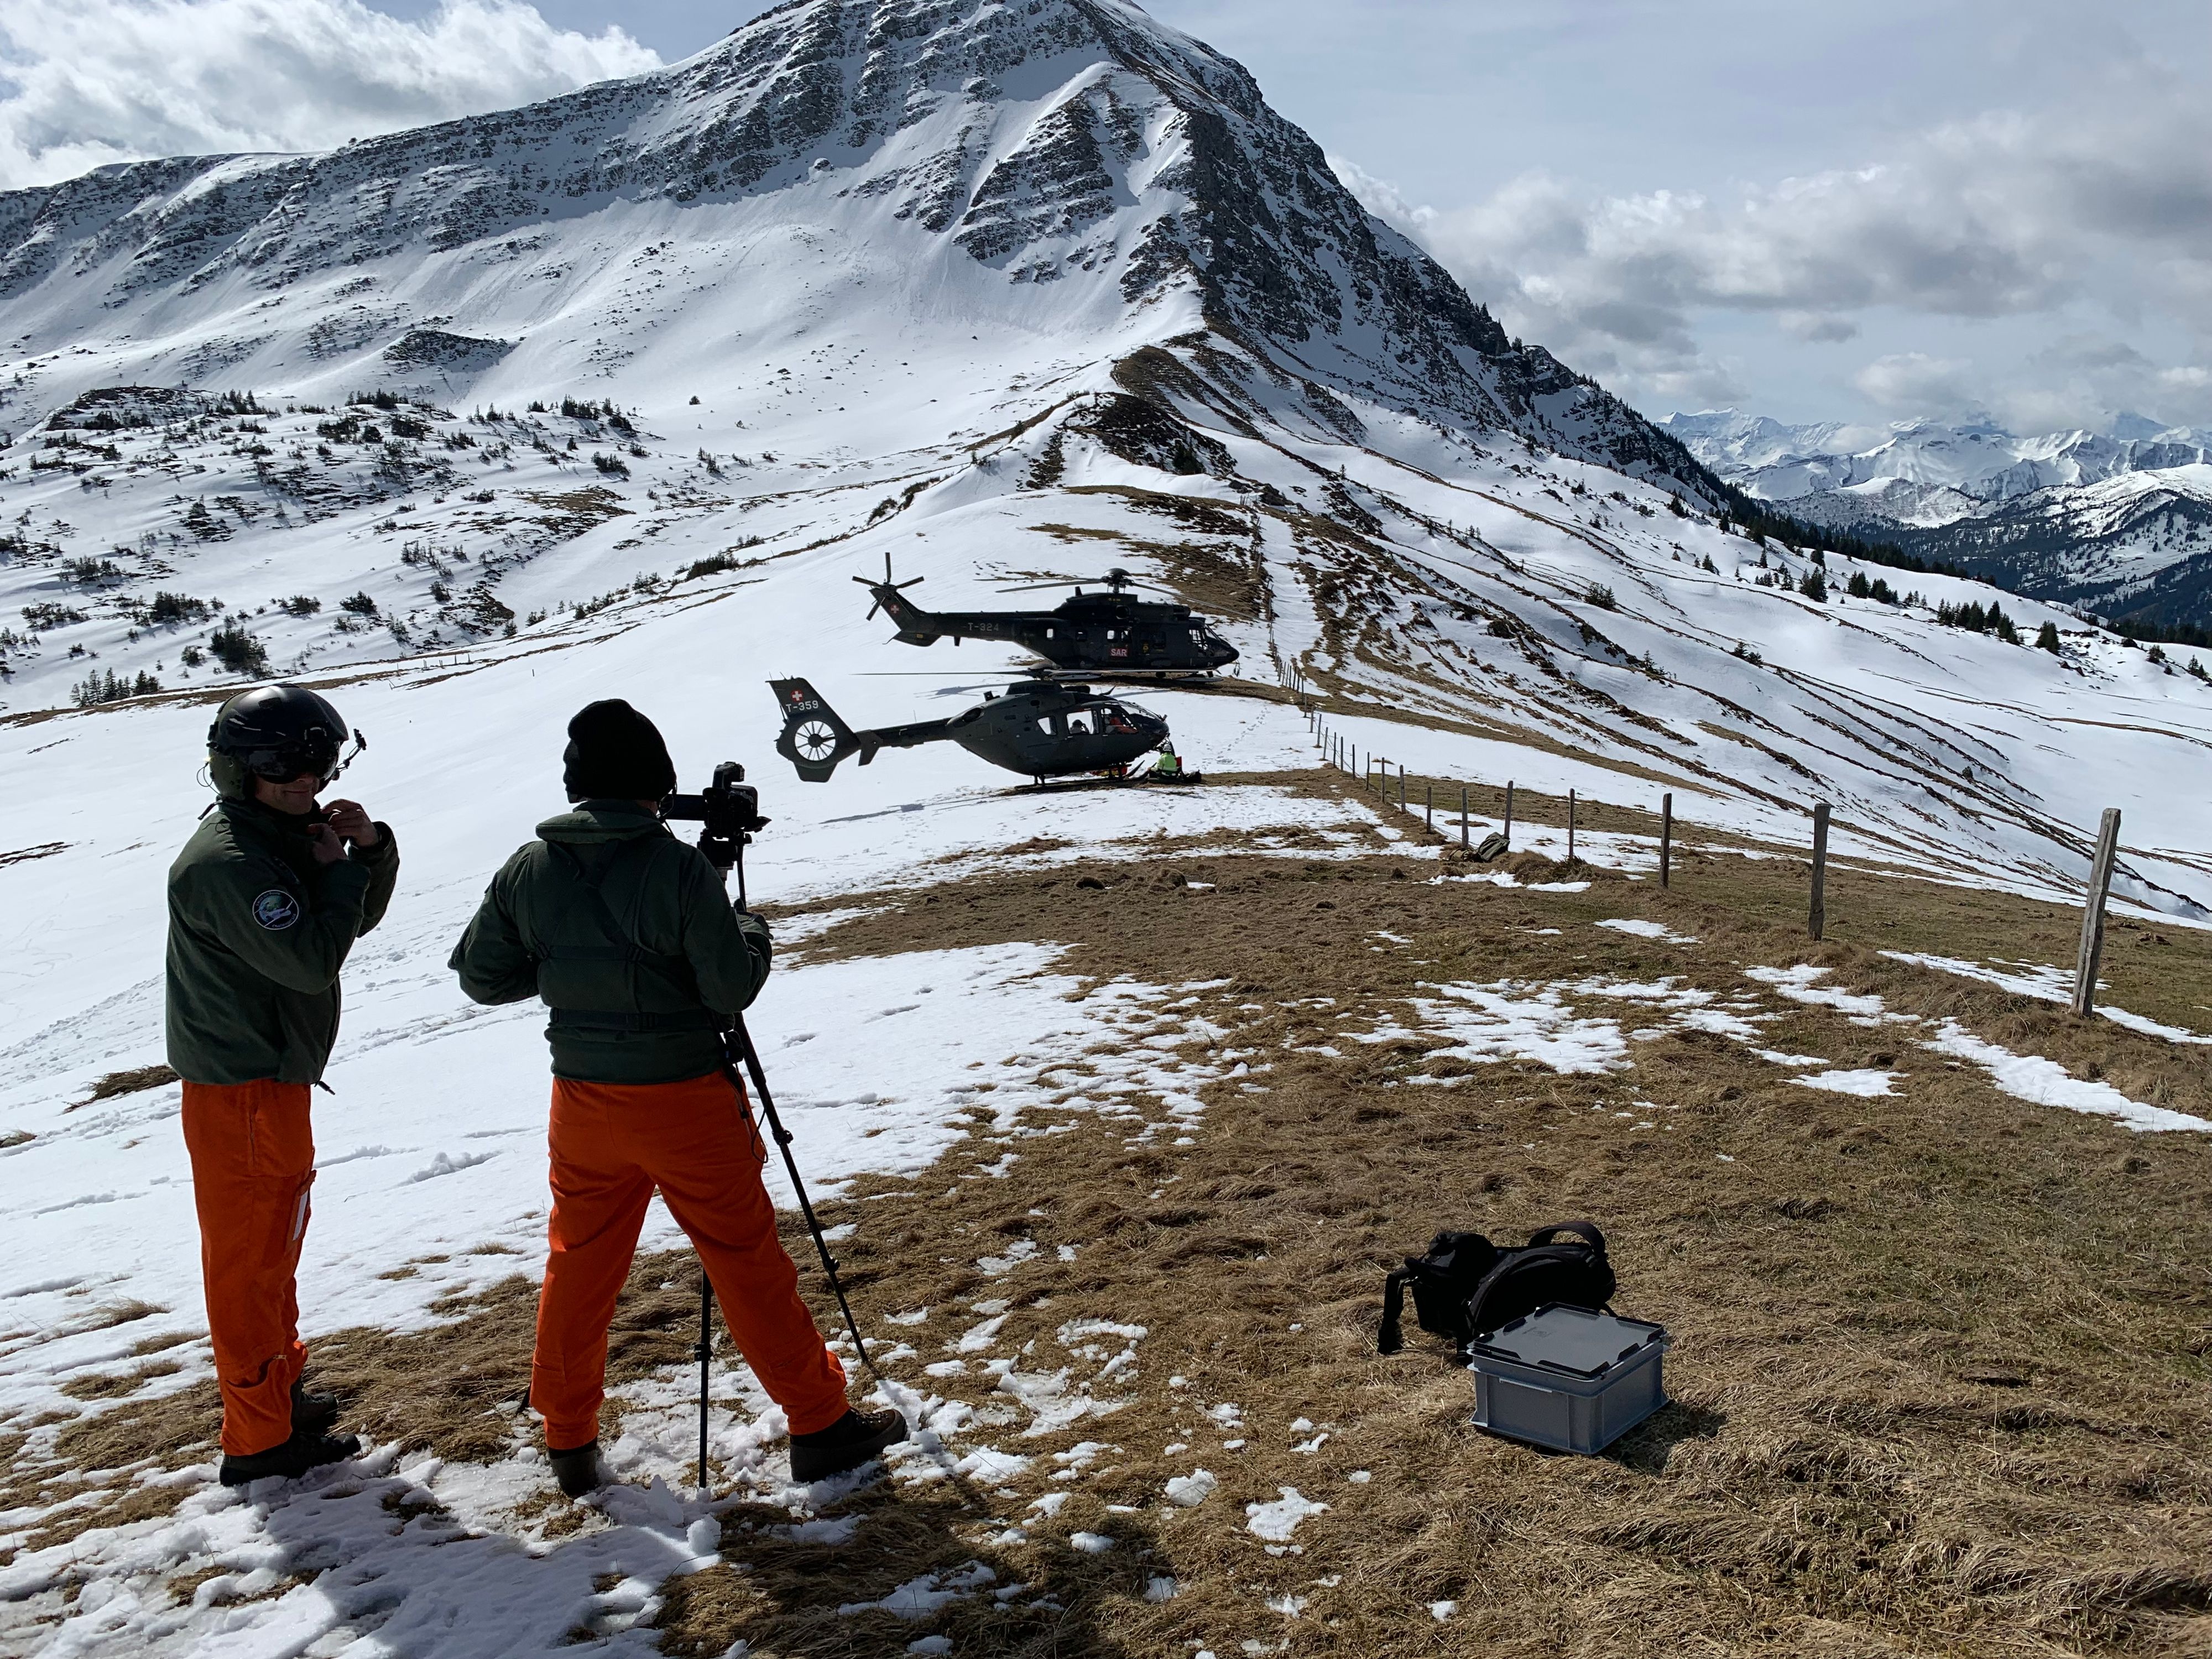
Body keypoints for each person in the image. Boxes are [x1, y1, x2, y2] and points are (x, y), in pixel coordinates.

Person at [447, 700, 906, 1497]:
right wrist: (752, 930)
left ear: (575, 783)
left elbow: (483, 976)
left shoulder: (529, 866)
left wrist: (569, 976)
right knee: (743, 1259)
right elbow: (728, 985)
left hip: (583, 1100)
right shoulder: (677, 870)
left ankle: (567, 1432)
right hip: (685, 1100)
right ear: (656, 782)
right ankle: (819, 1422)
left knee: (579, 1261)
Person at [166, 684, 397, 1485]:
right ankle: (258, 1441)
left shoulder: (274, 833)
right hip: (245, 1092)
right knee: (249, 1263)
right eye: (283, 765)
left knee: (274, 1248)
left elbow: (343, 924)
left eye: (320, 761)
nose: (307, 779)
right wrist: (337, 873)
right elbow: (310, 957)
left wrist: (366, 858)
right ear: (240, 770)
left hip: (268, 1083)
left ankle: (278, 1390)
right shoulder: (232, 864)